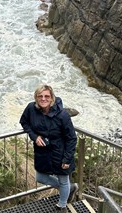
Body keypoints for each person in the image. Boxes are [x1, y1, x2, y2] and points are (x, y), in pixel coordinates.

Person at [19, 84, 78, 213]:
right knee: (40, 177)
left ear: (52, 98)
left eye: (46, 96)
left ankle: (62, 206)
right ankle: (69, 187)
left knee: (63, 180)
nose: (43, 99)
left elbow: (72, 138)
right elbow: (24, 122)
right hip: (42, 152)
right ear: (36, 98)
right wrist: (34, 136)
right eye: (40, 96)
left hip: (60, 152)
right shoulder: (31, 108)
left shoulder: (62, 115)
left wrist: (67, 159)